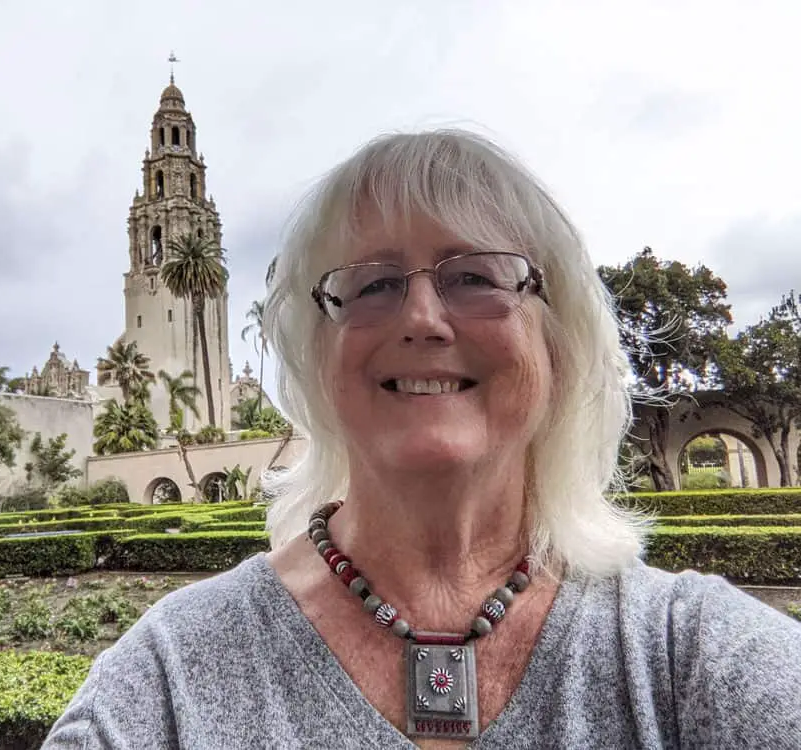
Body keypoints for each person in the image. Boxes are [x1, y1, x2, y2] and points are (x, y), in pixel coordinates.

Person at [42, 130, 801, 749]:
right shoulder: (175, 673)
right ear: (315, 360)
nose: (422, 318)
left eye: (475, 276)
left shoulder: (688, 655)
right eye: (371, 285)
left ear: (560, 344)